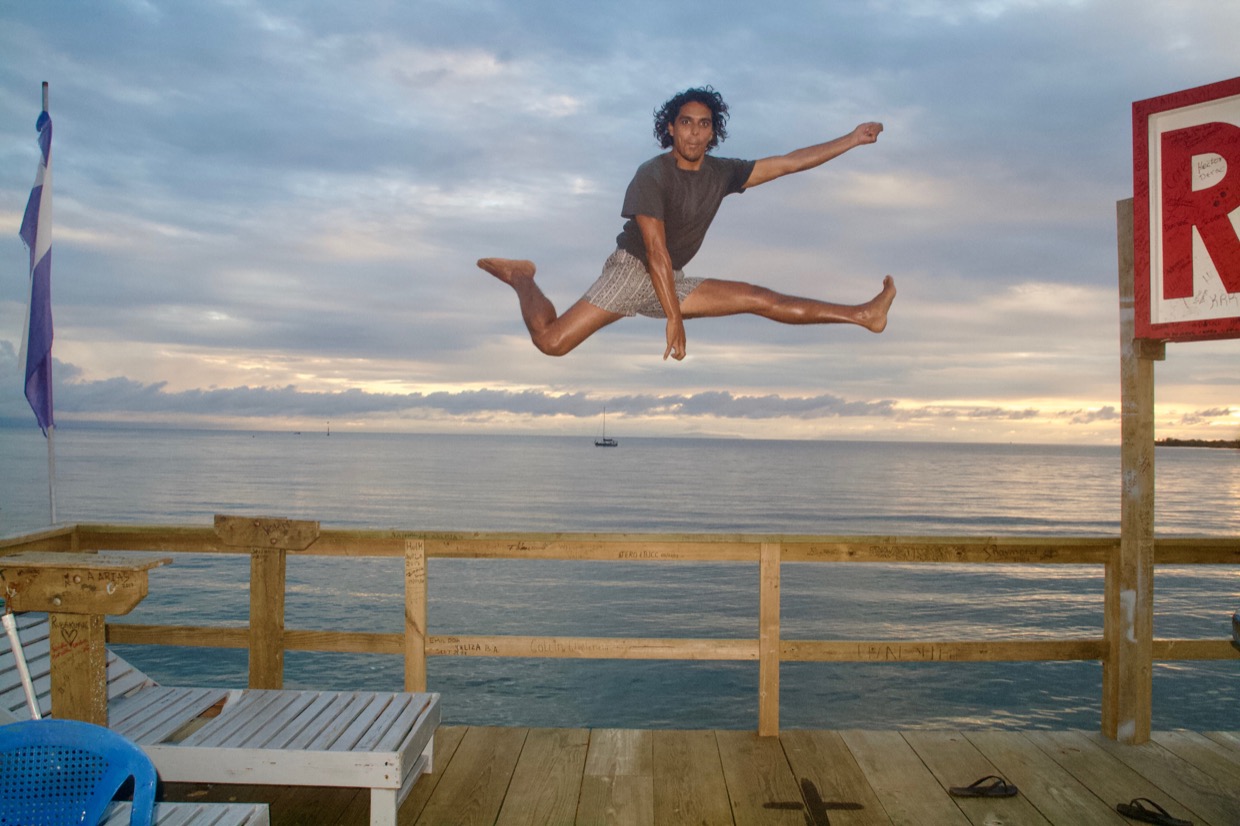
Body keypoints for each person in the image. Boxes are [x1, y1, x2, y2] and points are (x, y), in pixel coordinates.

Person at [478, 86, 895, 361]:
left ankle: (863, 315)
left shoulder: (722, 172)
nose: (695, 133)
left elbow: (787, 163)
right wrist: (674, 317)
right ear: (670, 128)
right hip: (632, 270)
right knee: (551, 342)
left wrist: (852, 138)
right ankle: (522, 276)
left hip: (669, 280)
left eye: (704, 124)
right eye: (686, 123)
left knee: (760, 298)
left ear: (713, 132)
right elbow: (655, 251)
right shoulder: (652, 174)